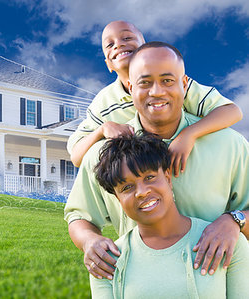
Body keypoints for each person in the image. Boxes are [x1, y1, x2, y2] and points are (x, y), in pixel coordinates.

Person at [64, 42, 249, 281]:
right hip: (140, 286)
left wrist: (234, 221)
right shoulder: (104, 154)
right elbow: (79, 216)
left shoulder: (229, 144)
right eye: (145, 82)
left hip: (214, 286)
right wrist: (90, 241)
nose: (156, 91)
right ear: (130, 88)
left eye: (167, 80)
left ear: (184, 84)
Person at [67, 21, 242, 179]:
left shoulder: (175, 85)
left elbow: (232, 111)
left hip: (189, 168)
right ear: (108, 64)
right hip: (142, 176)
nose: (119, 44)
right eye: (110, 44)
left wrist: (189, 134)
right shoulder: (104, 103)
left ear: (146, 48)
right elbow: (76, 156)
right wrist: (102, 130)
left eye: (127, 37)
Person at [90, 134, 249, 298]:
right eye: (127, 187)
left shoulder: (227, 242)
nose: (142, 192)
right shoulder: (106, 260)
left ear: (167, 178)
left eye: (149, 177)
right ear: (118, 199)